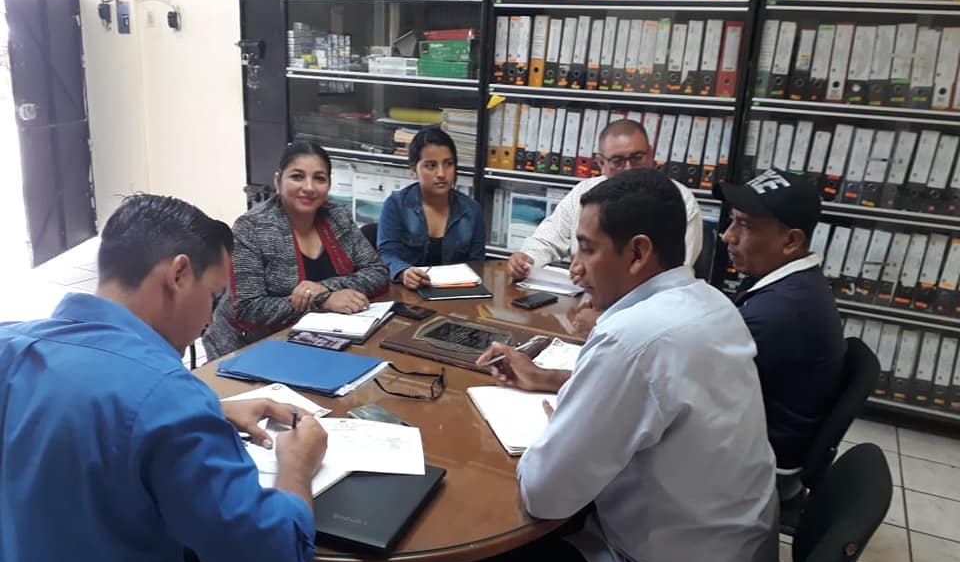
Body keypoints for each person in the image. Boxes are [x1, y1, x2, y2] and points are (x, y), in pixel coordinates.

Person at [444, 170, 778, 562]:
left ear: (638, 252)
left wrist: (559, 425)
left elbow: (543, 495)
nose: (576, 269)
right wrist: (556, 386)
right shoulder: (711, 302)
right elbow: (655, 398)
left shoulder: (632, 337)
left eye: (587, 249)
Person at [0, 194, 330, 562]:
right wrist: (297, 468)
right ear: (178, 274)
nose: (210, 320)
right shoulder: (170, 398)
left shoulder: (10, 345)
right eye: (213, 296)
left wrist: (214, 410)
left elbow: (79, 407)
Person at [717, 169, 846, 499]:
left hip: (763, 470)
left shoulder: (780, 311)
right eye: (732, 221)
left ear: (791, 241)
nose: (728, 236)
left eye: (745, 226)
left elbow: (692, 382)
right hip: (768, 441)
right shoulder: (788, 281)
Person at [203, 141, 389, 359]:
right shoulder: (252, 228)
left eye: (319, 178)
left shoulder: (338, 217)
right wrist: (322, 300)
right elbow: (248, 308)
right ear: (278, 181)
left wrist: (323, 289)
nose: (309, 187)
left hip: (324, 339)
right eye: (297, 177)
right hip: (251, 347)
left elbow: (377, 272)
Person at [506, 119, 703, 280]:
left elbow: (675, 275)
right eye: (618, 161)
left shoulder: (678, 200)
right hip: (586, 297)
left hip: (648, 305)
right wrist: (526, 260)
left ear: (650, 155)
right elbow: (547, 238)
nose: (628, 168)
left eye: (637, 157)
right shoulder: (584, 192)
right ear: (601, 162)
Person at [377, 127, 486, 290]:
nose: (441, 173)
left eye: (448, 164)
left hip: (456, 292)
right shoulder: (396, 205)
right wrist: (404, 272)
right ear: (414, 169)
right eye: (431, 165)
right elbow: (387, 254)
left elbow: (478, 264)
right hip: (408, 292)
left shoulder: (472, 210)